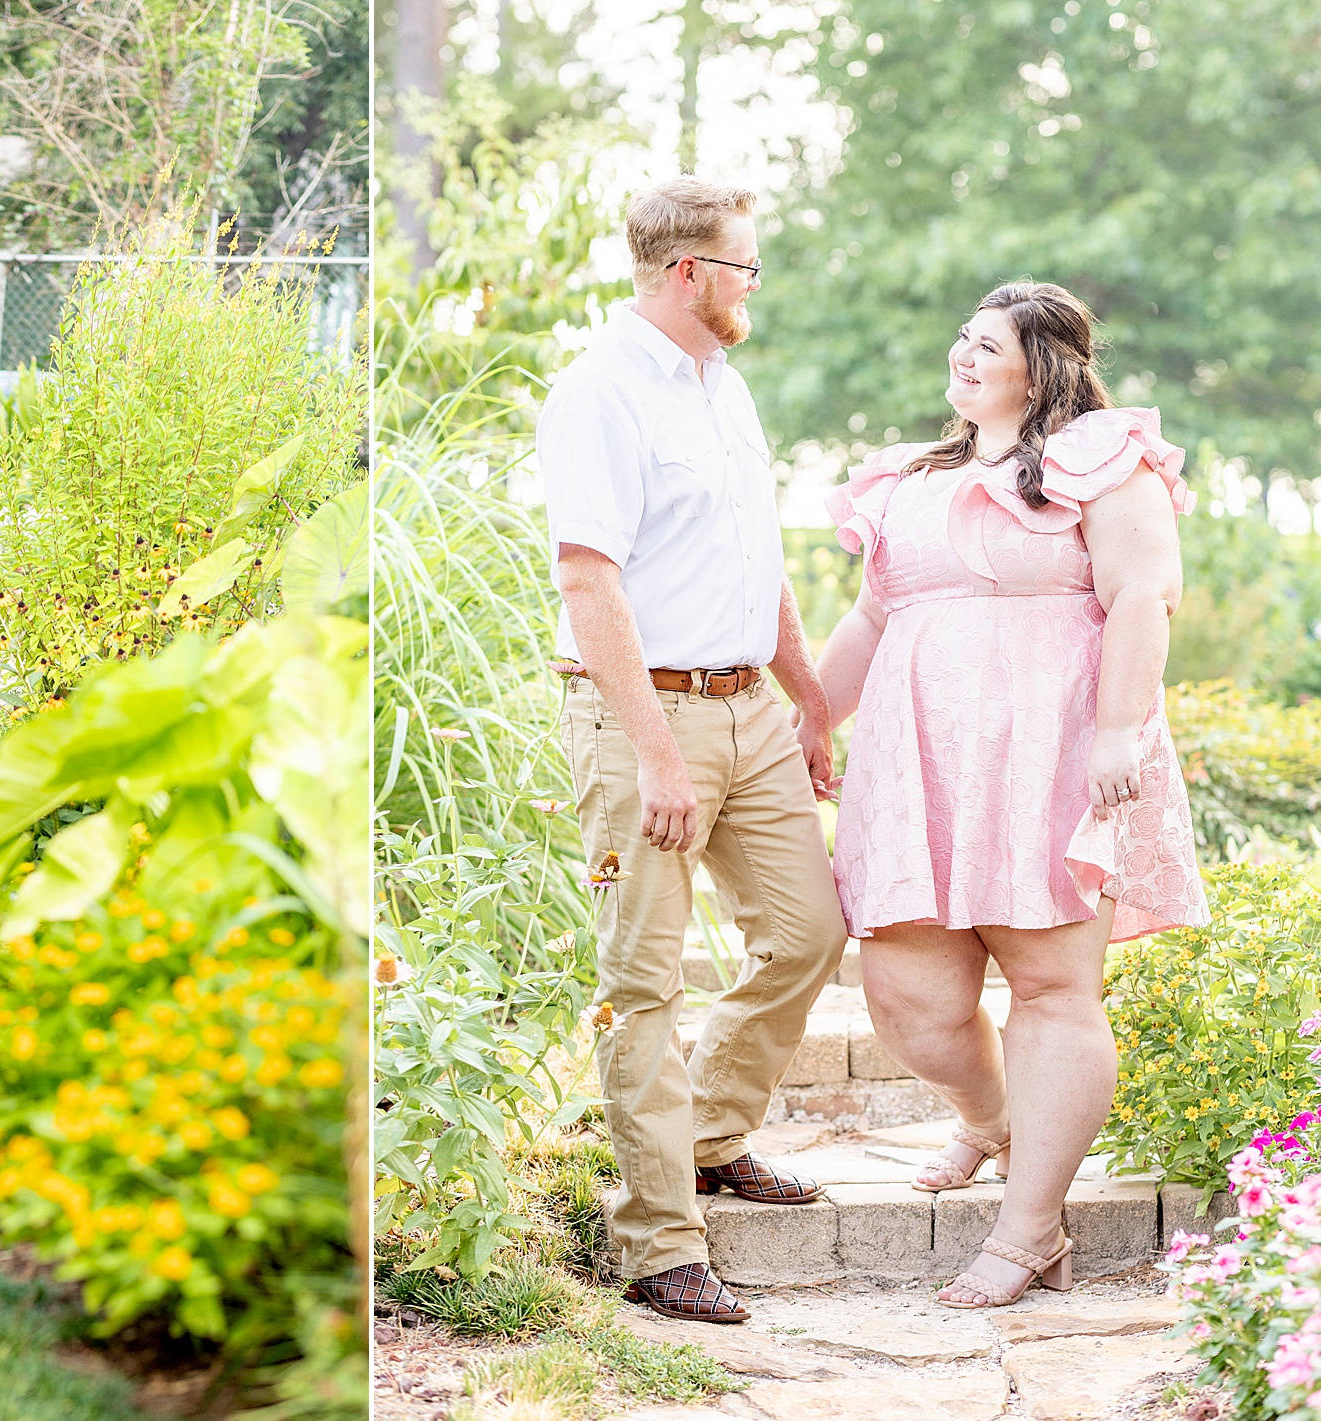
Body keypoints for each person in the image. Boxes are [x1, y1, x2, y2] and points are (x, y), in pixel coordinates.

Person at [817, 281, 1209, 1309]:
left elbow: (1141, 593)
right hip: (917, 762)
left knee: (1049, 988)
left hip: (1051, 746)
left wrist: (1120, 727)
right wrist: (812, 719)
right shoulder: (911, 474)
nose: (961, 355)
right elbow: (869, 620)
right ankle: (993, 1119)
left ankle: (1032, 1224)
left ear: (1041, 364)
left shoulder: (1101, 456)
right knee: (909, 998)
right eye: (959, 337)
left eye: (984, 344)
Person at [539, 175, 848, 1324]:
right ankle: (660, 1240)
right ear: (689, 274)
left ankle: (710, 1136)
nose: (752, 285)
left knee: (809, 932)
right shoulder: (600, 395)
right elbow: (588, 578)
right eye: (745, 267)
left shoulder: (728, 389)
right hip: (641, 717)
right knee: (643, 980)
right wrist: (656, 750)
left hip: (748, 708)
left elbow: (755, 563)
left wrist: (807, 698)